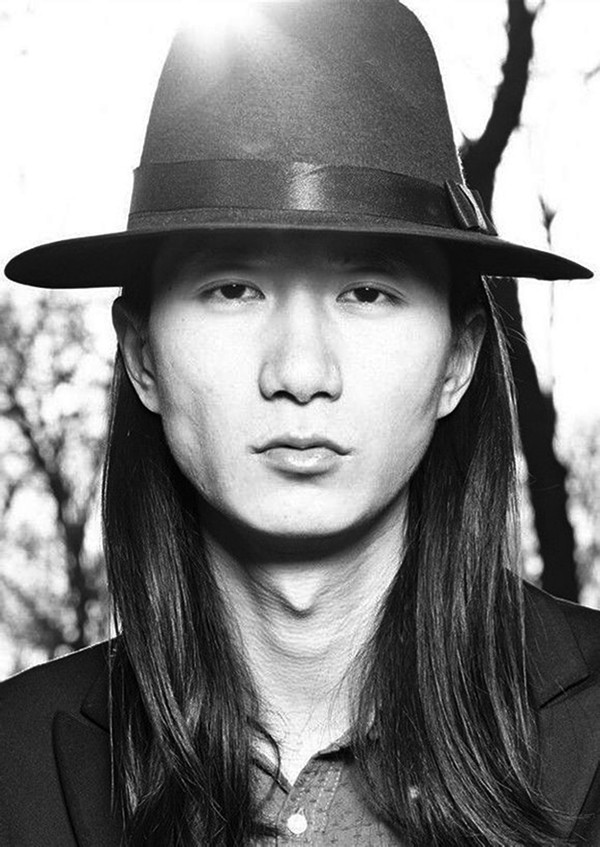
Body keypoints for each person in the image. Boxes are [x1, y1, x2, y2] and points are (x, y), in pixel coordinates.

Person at [1, 1, 599, 845]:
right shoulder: (15, 763)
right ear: (141, 355)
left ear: (458, 360)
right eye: (233, 288)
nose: (301, 373)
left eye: (368, 291)